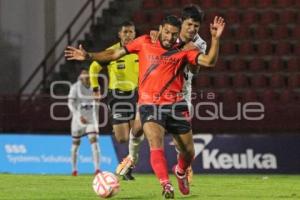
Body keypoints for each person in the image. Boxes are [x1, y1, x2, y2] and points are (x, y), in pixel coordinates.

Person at [65, 15, 225, 198]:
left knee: (189, 153)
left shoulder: (185, 50)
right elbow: (114, 54)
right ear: (160, 29)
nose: (169, 37)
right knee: (155, 144)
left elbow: (210, 62)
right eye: (166, 32)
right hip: (149, 104)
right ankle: (165, 185)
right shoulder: (144, 42)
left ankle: (180, 171)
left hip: (176, 105)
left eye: (173, 34)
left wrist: (215, 38)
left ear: (178, 34)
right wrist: (89, 56)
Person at [117, 5, 207, 184]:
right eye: (189, 25)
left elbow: (195, 68)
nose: (192, 29)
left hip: (181, 94)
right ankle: (132, 157)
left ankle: (183, 167)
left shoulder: (198, 44)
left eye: (196, 26)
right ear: (182, 24)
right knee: (136, 127)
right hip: (153, 92)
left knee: (179, 138)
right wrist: (155, 38)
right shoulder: (166, 35)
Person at [89, 21, 143, 180]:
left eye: (131, 32)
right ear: (119, 34)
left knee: (137, 135)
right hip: (117, 96)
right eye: (125, 32)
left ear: (135, 33)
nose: (128, 35)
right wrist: (95, 88)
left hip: (136, 95)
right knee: (122, 138)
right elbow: (93, 67)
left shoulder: (140, 50)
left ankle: (128, 168)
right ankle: (119, 131)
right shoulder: (112, 51)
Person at [68, 68, 100, 176]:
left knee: (94, 142)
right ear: (80, 76)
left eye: (87, 74)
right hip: (78, 120)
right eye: (83, 74)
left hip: (91, 119)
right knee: (75, 145)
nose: (85, 76)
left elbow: (97, 102)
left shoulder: (95, 87)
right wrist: (78, 116)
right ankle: (74, 169)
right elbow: (70, 103)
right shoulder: (75, 87)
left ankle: (97, 169)